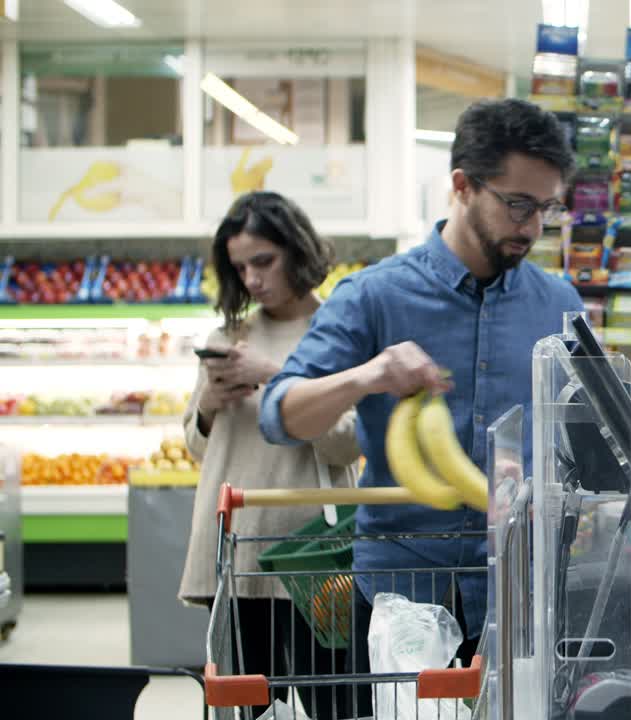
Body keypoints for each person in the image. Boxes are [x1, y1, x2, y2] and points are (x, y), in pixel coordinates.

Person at [258, 98, 583, 696]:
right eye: (517, 204)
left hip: (516, 594)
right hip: (397, 597)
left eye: (546, 208)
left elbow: (578, 434)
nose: (533, 227)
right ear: (461, 185)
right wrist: (368, 376)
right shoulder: (373, 296)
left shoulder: (561, 307)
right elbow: (279, 415)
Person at [179, 191, 362, 719]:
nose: (253, 279)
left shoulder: (337, 333)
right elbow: (196, 445)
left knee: (338, 705)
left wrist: (274, 377)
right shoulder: (228, 335)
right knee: (245, 711)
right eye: (241, 267)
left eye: (264, 261)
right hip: (233, 549)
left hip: (315, 554)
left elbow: (345, 443)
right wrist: (209, 406)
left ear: (296, 250)